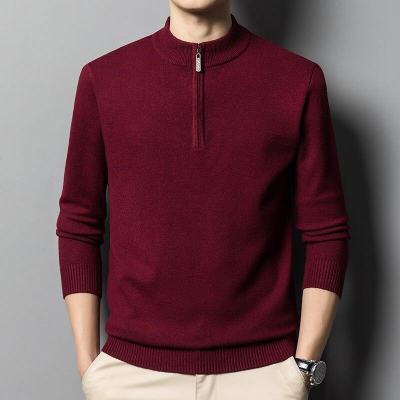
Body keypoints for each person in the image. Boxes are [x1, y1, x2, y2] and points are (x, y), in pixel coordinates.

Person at [55, 1, 351, 399]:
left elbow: (327, 231)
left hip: (262, 375)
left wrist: (303, 365)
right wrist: (89, 364)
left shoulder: (297, 80)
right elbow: (78, 223)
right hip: (131, 376)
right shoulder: (104, 79)